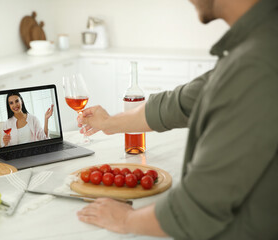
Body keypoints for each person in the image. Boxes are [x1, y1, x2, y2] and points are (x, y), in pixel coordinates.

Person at [76, 0, 278, 239]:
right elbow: (181, 103)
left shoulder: (255, 62)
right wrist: (109, 123)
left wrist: (125, 218)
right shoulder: (260, 39)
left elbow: (195, 209)